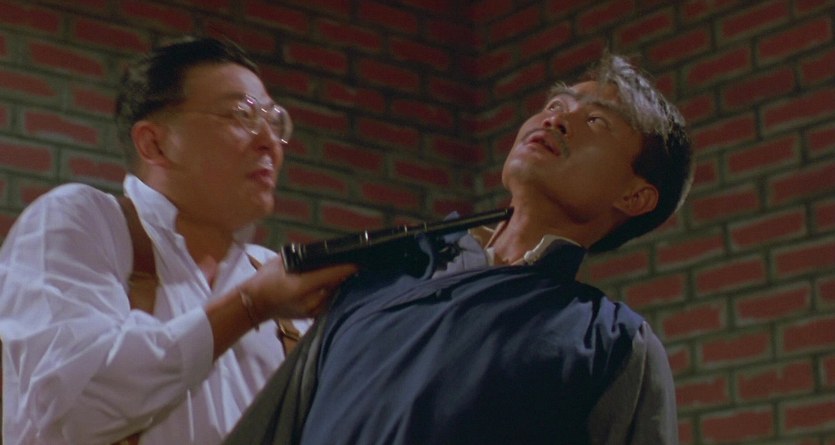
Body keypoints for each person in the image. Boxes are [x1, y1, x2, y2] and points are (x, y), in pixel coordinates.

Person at [224, 52, 692, 445]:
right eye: (556, 104)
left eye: (595, 120)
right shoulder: (377, 276)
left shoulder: (611, 344)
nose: (557, 119)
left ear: (635, 196)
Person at [0, 37, 356, 445]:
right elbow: (76, 409)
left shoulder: (278, 282)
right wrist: (249, 305)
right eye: (241, 115)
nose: (269, 143)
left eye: (274, 122)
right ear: (155, 143)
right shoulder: (84, 222)